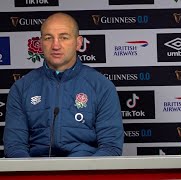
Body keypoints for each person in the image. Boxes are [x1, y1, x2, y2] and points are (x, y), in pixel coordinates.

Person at [3, 12, 124, 157]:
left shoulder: (102, 86)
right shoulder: (21, 88)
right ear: (40, 43)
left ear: (78, 43)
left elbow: (111, 147)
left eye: (64, 37)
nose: (55, 45)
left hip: (85, 172)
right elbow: (14, 147)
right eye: (48, 38)